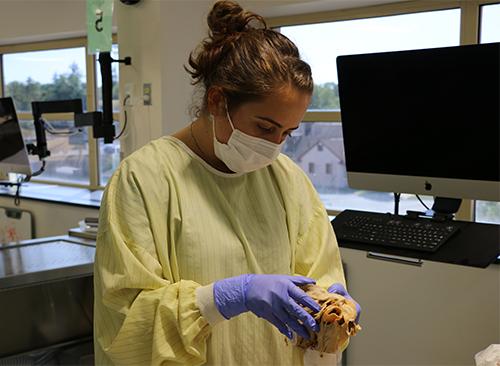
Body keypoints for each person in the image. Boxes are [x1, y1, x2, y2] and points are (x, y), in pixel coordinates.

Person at [93, 1, 360, 365]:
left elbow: (319, 272)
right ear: (217, 100)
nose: (274, 145)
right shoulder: (144, 179)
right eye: (265, 127)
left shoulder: (288, 180)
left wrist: (333, 304)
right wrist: (220, 298)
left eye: (287, 132)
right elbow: (126, 324)